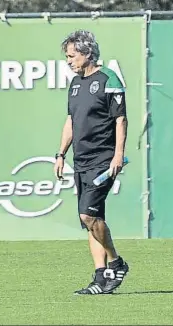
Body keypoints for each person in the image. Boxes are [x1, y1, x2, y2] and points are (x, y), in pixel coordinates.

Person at [54, 30, 129, 295]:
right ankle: (101, 278)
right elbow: (70, 121)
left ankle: (117, 262)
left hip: (103, 160)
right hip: (81, 160)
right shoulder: (75, 83)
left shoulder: (108, 79)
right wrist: (61, 154)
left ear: (87, 54)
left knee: (88, 214)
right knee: (91, 220)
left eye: (72, 56)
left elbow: (120, 119)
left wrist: (118, 155)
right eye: (67, 57)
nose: (69, 61)